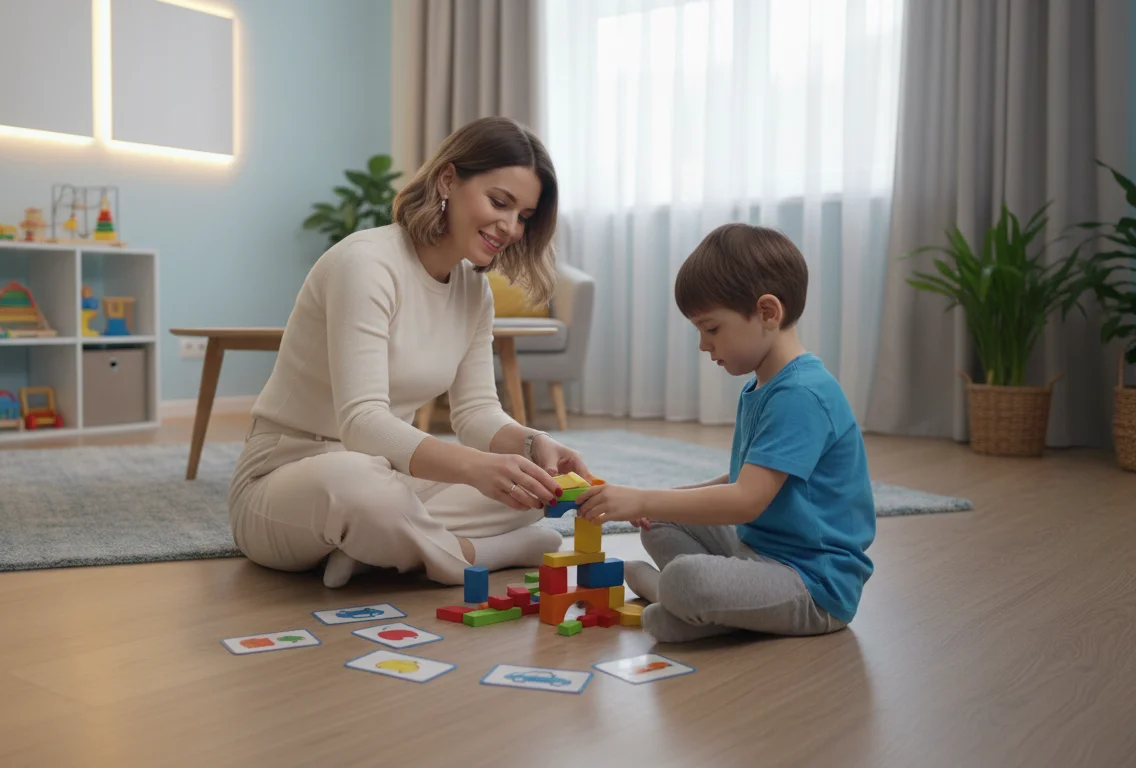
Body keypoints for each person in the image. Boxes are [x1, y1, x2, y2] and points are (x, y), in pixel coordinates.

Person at [230, 117, 591, 589]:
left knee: (528, 492)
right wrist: (476, 467)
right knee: (359, 486)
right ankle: (473, 556)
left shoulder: (474, 292)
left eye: (524, 216)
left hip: (388, 473)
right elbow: (362, 422)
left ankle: (372, 548)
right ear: (448, 180)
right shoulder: (366, 263)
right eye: (499, 202)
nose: (510, 227)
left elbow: (476, 413)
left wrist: (531, 444)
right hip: (286, 477)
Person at [576, 223, 875, 643]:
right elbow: (742, 477)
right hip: (760, 551)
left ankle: (679, 599)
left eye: (712, 329)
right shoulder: (763, 386)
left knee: (685, 579)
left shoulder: (801, 394)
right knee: (660, 518)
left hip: (813, 585)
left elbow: (748, 499)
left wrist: (641, 498)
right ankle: (707, 609)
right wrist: (660, 501)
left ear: (767, 312)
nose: (703, 344)